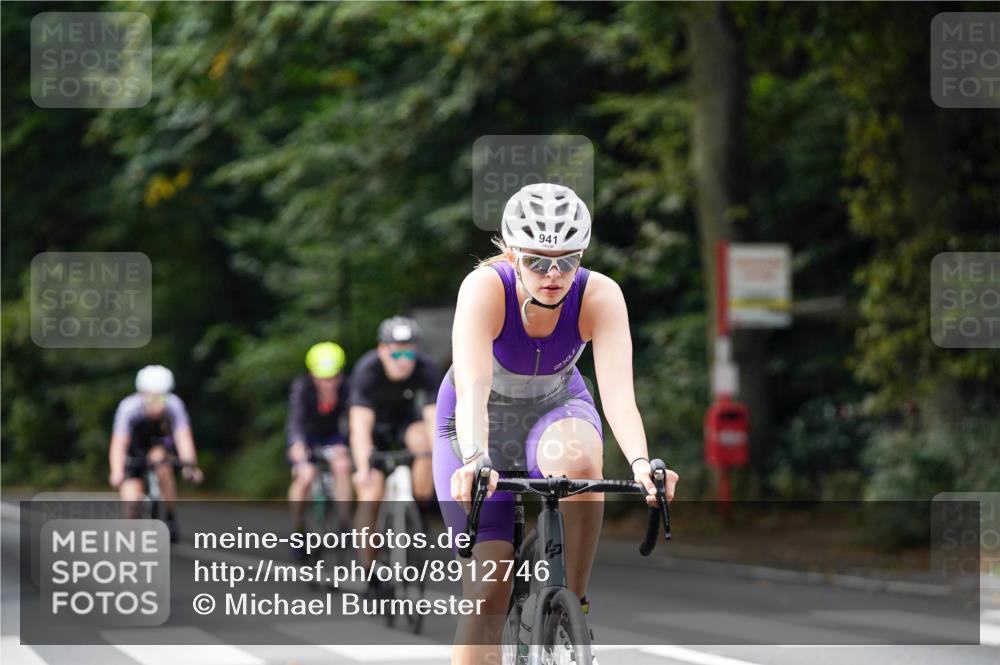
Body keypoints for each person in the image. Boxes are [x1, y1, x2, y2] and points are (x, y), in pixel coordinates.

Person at [432, 182, 680, 663]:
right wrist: (476, 458)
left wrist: (642, 464)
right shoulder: (485, 289)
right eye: (536, 261)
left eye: (567, 262)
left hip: (556, 406)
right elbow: (474, 389)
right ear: (511, 254)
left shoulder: (600, 294)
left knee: (580, 462)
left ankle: (572, 606)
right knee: (489, 590)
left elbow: (619, 395)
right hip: (478, 418)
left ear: (582, 255)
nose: (553, 274)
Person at [349, 316, 443, 572]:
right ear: (382, 350)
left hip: (405, 427)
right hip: (374, 431)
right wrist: (363, 469)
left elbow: (434, 419)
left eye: (409, 353)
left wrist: (440, 463)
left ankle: (419, 506)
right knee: (370, 493)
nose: (403, 360)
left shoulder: (426, 368)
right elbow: (359, 426)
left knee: (424, 441)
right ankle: (369, 569)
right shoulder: (367, 370)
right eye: (396, 353)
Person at [109, 365, 203, 542]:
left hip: (159, 449)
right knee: (131, 499)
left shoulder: (174, 405)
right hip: (134, 452)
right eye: (152, 397)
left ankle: (170, 515)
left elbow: (183, 438)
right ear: (142, 395)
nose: (157, 402)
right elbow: (118, 444)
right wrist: (117, 471)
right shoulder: (129, 408)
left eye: (162, 397)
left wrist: (190, 467)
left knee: (161, 461)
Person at [286, 342, 353, 558]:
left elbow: (354, 421)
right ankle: (298, 530)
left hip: (335, 436)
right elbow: (295, 422)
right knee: (304, 477)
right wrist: (298, 447)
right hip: (307, 438)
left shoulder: (348, 388)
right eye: (323, 378)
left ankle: (344, 524)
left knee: (342, 466)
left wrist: (346, 445)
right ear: (312, 374)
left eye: (334, 377)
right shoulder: (302, 388)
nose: (329, 383)